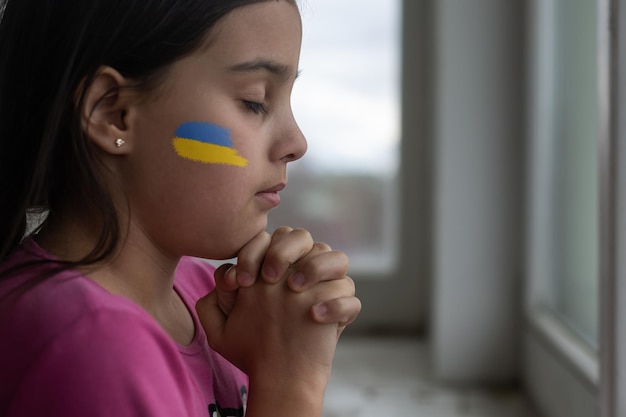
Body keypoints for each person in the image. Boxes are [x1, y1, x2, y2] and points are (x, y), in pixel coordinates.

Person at [0, 0, 362, 416]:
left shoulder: (208, 295)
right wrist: (290, 383)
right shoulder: (91, 344)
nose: (297, 143)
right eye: (255, 101)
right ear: (113, 114)